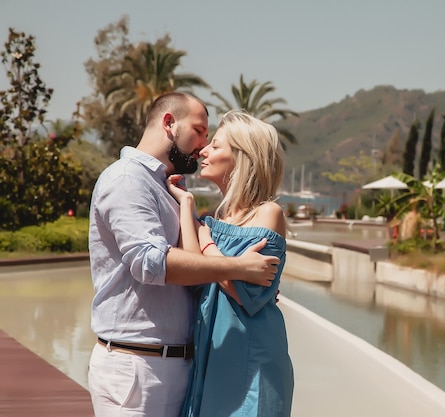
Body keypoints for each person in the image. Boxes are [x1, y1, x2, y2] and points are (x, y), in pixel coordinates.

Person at [88, 92, 280, 417]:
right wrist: (239, 268)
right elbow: (151, 262)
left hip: (181, 368)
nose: (203, 145)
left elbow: (197, 275)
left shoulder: (168, 187)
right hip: (138, 368)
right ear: (169, 123)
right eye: (200, 130)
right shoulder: (127, 180)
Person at [167, 110, 294, 417]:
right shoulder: (215, 219)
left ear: (242, 157)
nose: (204, 150)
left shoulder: (268, 214)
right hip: (214, 352)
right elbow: (193, 273)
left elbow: (245, 293)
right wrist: (187, 205)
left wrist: (207, 241)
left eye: (216, 146)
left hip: (252, 358)